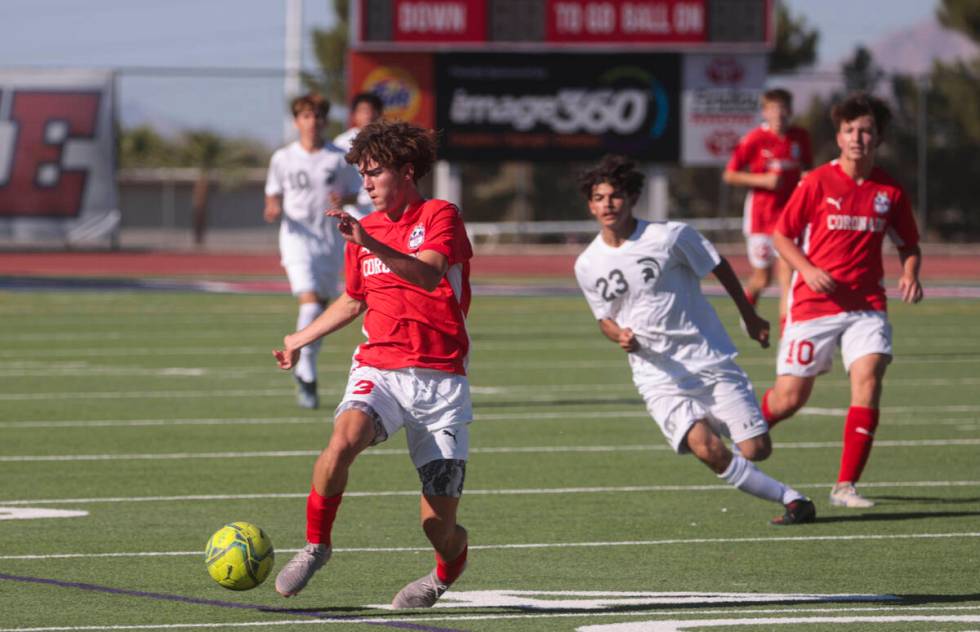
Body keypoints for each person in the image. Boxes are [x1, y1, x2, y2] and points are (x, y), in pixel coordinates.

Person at [272, 119, 474, 608]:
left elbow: (427, 275)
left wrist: (371, 244)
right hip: (379, 368)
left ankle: (449, 568)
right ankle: (317, 545)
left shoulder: (440, 214)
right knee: (343, 438)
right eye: (361, 173)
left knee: (437, 524)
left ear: (406, 171)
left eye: (374, 172)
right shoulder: (365, 232)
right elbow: (352, 300)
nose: (364, 183)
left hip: (441, 382)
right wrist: (301, 336)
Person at [573, 155, 815, 526]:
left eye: (616, 196)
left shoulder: (670, 236)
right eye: (599, 197)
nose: (608, 204)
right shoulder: (587, 264)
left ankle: (736, 425)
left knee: (756, 449)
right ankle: (792, 499)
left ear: (632, 198)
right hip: (657, 376)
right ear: (590, 205)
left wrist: (749, 315)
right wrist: (618, 335)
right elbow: (604, 318)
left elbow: (717, 265)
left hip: (707, 358)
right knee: (709, 450)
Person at [760, 93, 923, 509]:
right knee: (789, 399)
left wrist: (909, 272)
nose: (857, 137)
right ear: (839, 137)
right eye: (850, 130)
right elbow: (781, 235)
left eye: (866, 130)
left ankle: (845, 486)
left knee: (869, 378)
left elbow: (909, 244)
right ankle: (743, 425)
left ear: (878, 138)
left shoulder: (890, 190)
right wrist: (808, 269)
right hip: (813, 306)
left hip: (867, 305)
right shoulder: (816, 181)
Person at [264, 93, 363, 410]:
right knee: (308, 298)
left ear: (324, 121)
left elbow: (353, 191)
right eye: (306, 116)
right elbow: (272, 196)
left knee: (319, 304)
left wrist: (342, 200)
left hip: (329, 237)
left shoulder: (337, 157)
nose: (312, 122)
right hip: (296, 237)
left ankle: (307, 360)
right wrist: (273, 209)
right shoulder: (282, 158)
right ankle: (305, 366)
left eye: (318, 116)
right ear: (297, 121)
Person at [723, 88, 812, 328]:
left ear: (790, 111)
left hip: (789, 219)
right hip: (761, 219)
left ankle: (787, 334)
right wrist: (762, 180)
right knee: (763, 278)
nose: (778, 114)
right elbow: (729, 175)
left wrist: (807, 179)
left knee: (788, 277)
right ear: (765, 112)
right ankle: (748, 305)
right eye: (773, 109)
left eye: (783, 108)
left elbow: (807, 168)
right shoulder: (754, 139)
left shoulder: (800, 138)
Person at [333, 92, 384, 220]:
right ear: (354, 115)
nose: (368, 115)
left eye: (372, 110)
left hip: (384, 209)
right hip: (355, 213)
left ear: (379, 113)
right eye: (363, 111)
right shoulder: (341, 143)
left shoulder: (388, 141)